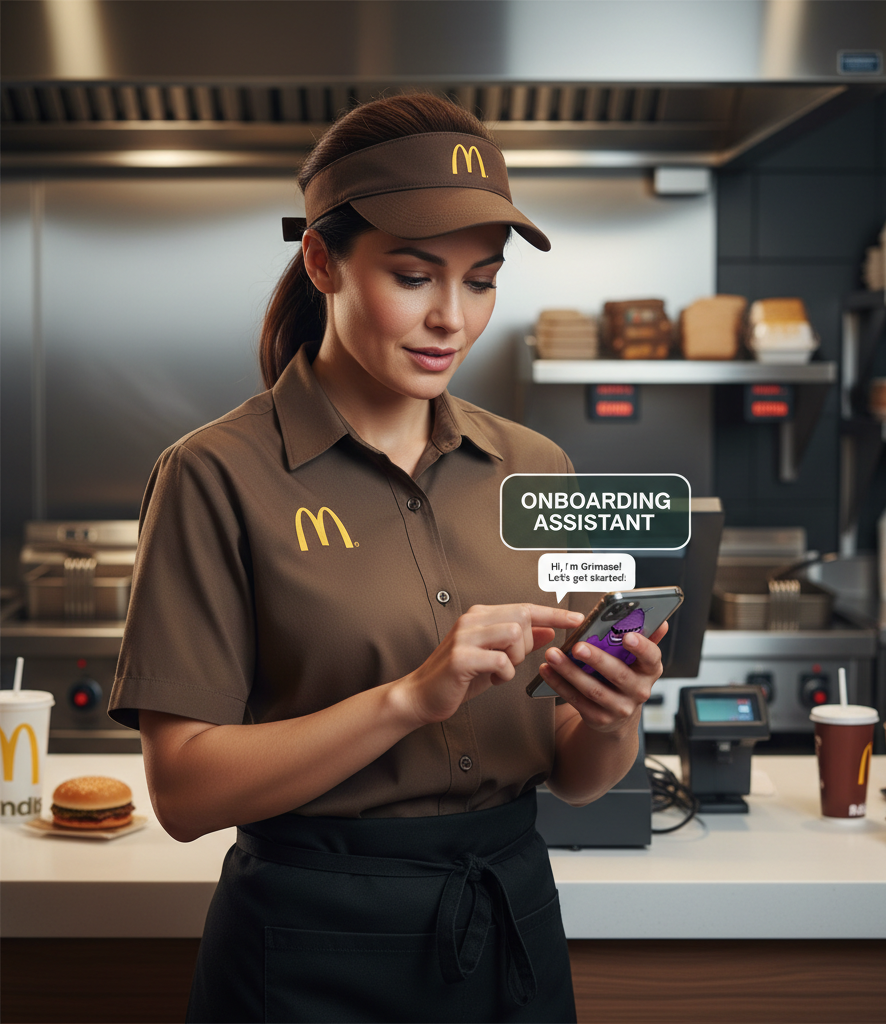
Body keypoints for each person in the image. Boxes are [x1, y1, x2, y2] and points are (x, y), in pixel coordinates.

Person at [109, 93, 667, 1024]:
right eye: (413, 276)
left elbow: (577, 774)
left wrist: (615, 715)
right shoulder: (213, 475)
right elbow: (184, 792)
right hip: (304, 952)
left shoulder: (540, 469)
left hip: (512, 929)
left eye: (481, 281)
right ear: (321, 262)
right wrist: (411, 697)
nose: (451, 318)